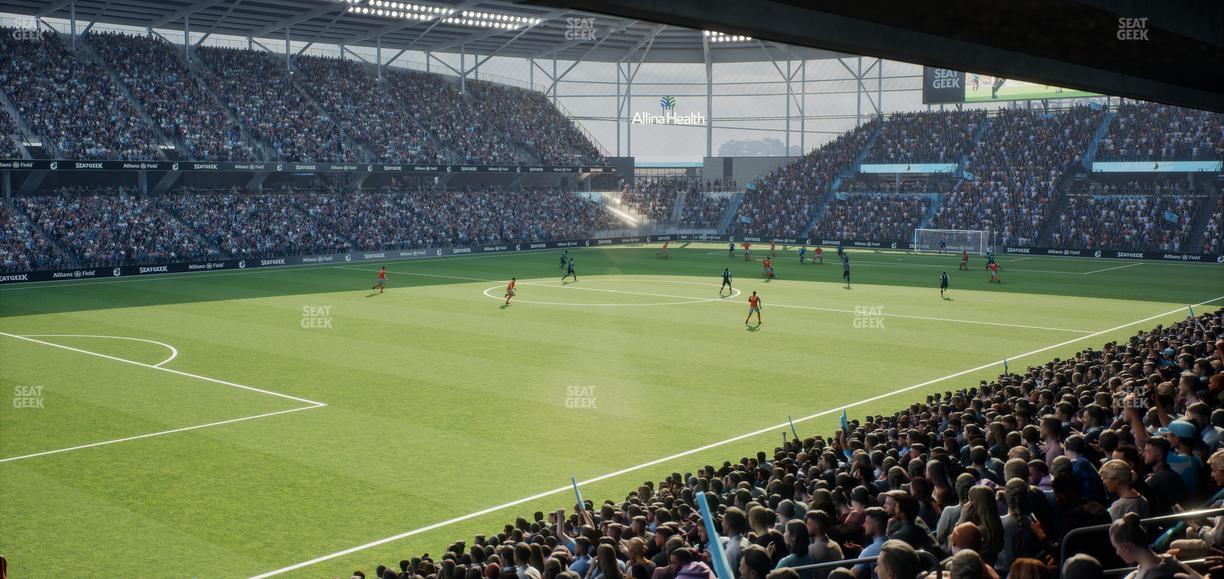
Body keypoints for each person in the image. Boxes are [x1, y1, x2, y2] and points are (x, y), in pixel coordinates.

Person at [1109, 512, 1203, 579]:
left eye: (1116, 548)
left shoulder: (1156, 574)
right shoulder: (1168, 559)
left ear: (1126, 547)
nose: (1117, 553)